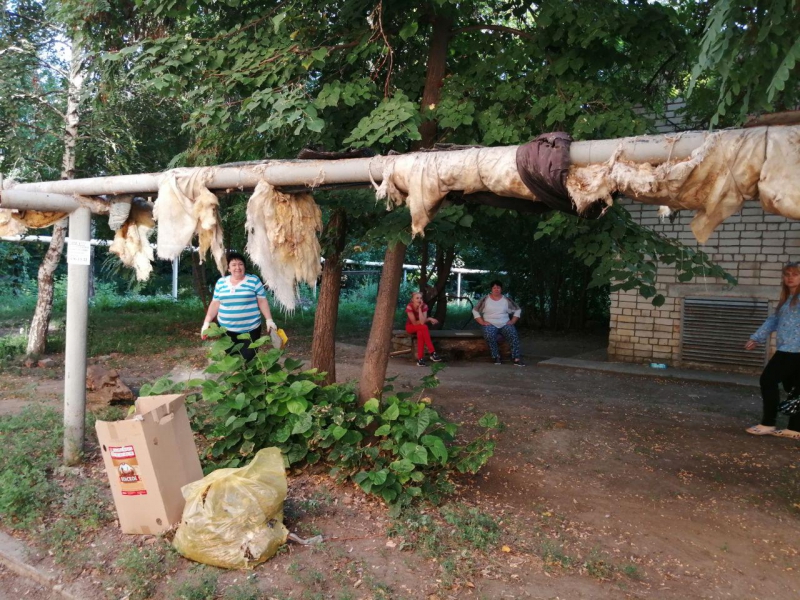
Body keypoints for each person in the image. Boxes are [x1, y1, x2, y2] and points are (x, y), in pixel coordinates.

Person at [744, 261, 800, 438]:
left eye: (795, 274)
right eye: (787, 274)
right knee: (794, 387)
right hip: (788, 349)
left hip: (793, 351)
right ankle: (795, 429)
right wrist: (756, 338)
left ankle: (768, 423)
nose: (790, 278)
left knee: (768, 380)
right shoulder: (788, 299)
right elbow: (773, 320)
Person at [201, 251, 277, 362]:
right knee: (232, 360)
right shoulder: (221, 283)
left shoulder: (253, 280)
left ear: (244, 266)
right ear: (228, 268)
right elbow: (215, 303)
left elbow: (262, 301)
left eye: (240, 264)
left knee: (248, 359)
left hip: (251, 330)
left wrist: (269, 320)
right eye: (234, 265)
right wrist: (206, 323)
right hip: (226, 331)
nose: (238, 267)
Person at [472, 280, 525, 366]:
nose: (496, 289)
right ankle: (496, 356)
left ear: (501, 289)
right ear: (491, 289)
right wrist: (482, 322)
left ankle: (516, 358)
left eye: (498, 288)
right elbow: (475, 310)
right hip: (490, 323)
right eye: (494, 288)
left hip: (504, 323)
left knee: (513, 334)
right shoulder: (485, 299)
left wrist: (512, 321)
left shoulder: (506, 300)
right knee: (489, 335)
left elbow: (518, 309)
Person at [405, 292, 443, 367]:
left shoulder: (424, 306)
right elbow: (415, 323)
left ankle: (420, 359)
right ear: (412, 300)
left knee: (420, 333)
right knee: (424, 327)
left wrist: (420, 309)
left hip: (420, 327)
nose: (419, 300)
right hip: (410, 327)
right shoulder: (409, 306)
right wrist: (429, 319)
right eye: (417, 298)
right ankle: (432, 352)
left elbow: (422, 322)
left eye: (421, 298)